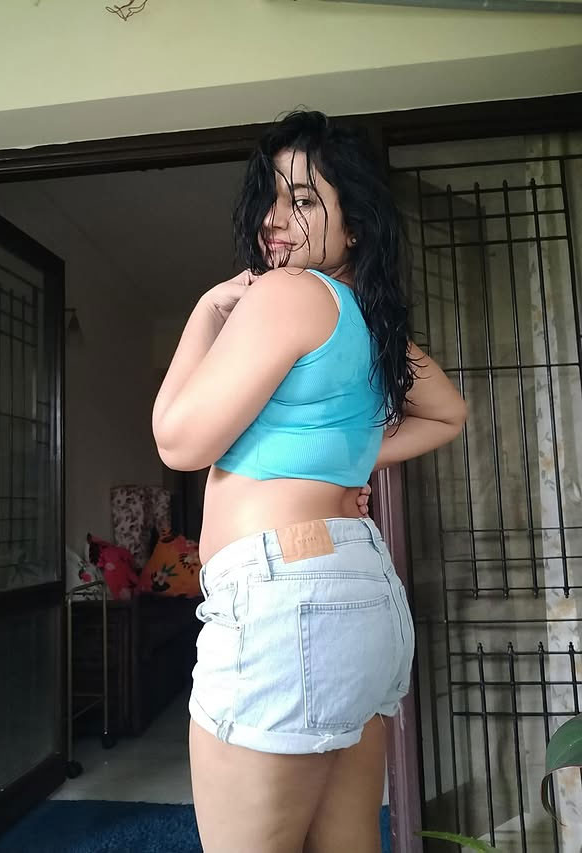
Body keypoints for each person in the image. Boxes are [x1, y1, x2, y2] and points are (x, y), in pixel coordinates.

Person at [152, 110, 467, 853]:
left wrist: (205, 310)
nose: (274, 219)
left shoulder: (289, 292)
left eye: (301, 199)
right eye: (270, 197)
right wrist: (349, 462)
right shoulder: (371, 323)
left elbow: (177, 440)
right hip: (359, 586)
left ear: (353, 222)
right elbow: (449, 413)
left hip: (284, 595)